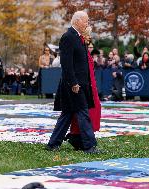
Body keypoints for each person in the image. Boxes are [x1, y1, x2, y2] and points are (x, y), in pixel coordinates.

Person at [47, 11, 99, 154]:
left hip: (79, 84)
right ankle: (89, 146)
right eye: (85, 21)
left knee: (67, 115)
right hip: (74, 85)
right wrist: (74, 83)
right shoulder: (68, 37)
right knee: (83, 114)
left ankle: (53, 144)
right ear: (77, 21)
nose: (87, 24)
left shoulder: (78, 37)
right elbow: (66, 63)